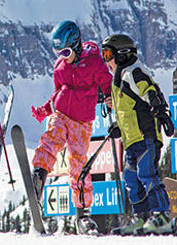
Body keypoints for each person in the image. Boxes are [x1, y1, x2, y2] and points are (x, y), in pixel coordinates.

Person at [29, 20, 112, 235]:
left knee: (78, 166)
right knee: (50, 139)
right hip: (61, 114)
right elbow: (58, 93)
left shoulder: (93, 62)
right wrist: (45, 110)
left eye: (65, 51)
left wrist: (111, 97)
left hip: (81, 123)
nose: (63, 56)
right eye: (58, 52)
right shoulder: (60, 66)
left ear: (76, 44)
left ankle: (82, 215)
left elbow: (106, 81)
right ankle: (39, 174)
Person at [101, 34, 176, 235]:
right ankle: (142, 217)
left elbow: (150, 92)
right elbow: (128, 110)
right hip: (131, 141)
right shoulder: (119, 80)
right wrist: (118, 126)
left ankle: (162, 216)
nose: (105, 60)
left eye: (108, 54)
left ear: (123, 54)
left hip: (146, 137)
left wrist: (161, 113)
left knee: (147, 174)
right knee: (131, 179)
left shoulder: (133, 73)